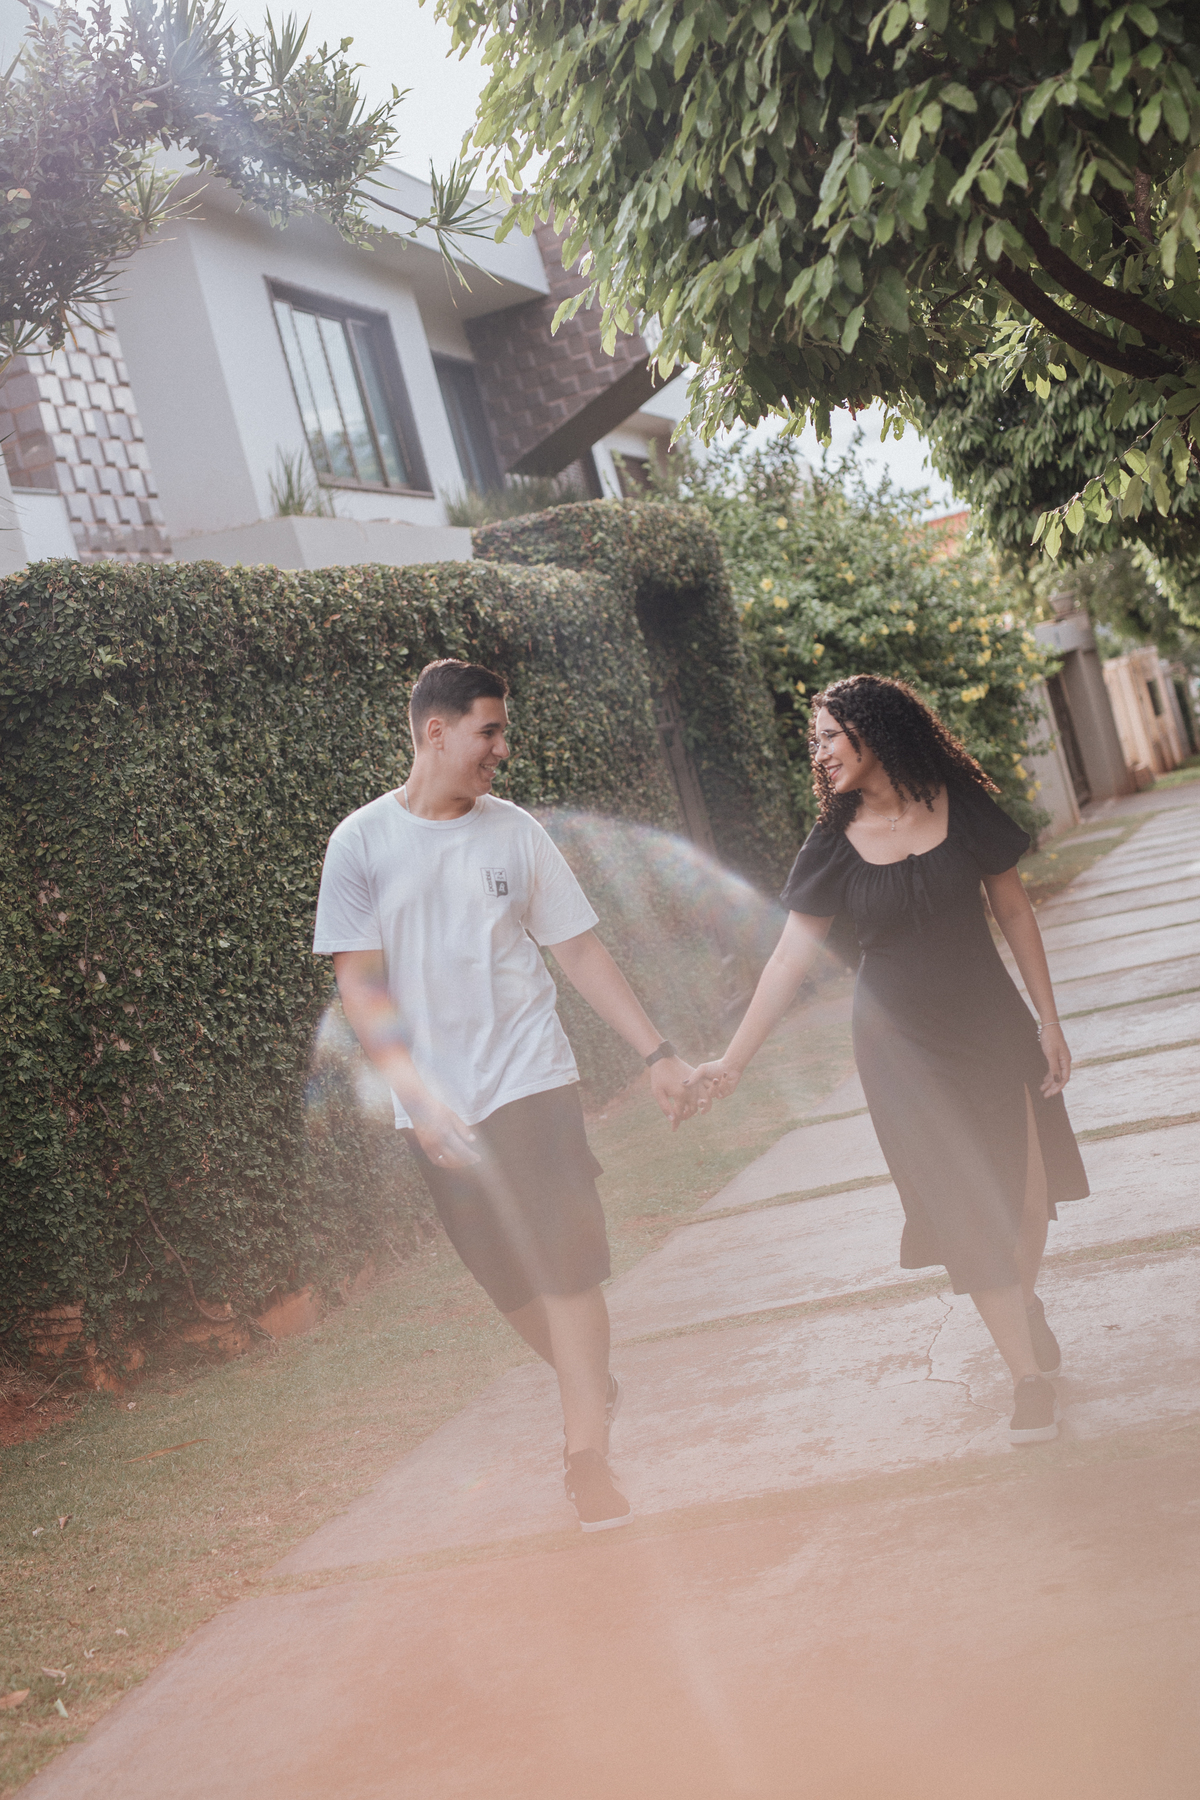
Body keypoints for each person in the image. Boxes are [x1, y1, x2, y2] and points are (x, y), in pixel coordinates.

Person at [313, 658, 699, 1531]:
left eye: (503, 732)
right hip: (436, 1105)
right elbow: (360, 989)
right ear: (436, 731)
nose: (502, 749)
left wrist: (656, 1053)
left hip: (533, 1077)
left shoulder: (515, 832)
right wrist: (416, 1097)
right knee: (508, 1283)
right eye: (488, 731)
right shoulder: (360, 843)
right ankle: (590, 1381)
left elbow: (580, 950)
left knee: (566, 1267)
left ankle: (586, 1458)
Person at [688, 675, 1089, 1446]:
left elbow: (1012, 908)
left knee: (1027, 1201)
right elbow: (788, 957)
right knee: (965, 1210)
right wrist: (733, 1061)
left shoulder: (959, 805)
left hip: (992, 1025)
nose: (820, 753)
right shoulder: (831, 841)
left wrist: (1049, 1020)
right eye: (816, 741)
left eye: (829, 737)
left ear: (872, 731)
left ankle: (1024, 1302)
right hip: (900, 1049)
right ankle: (1026, 1381)